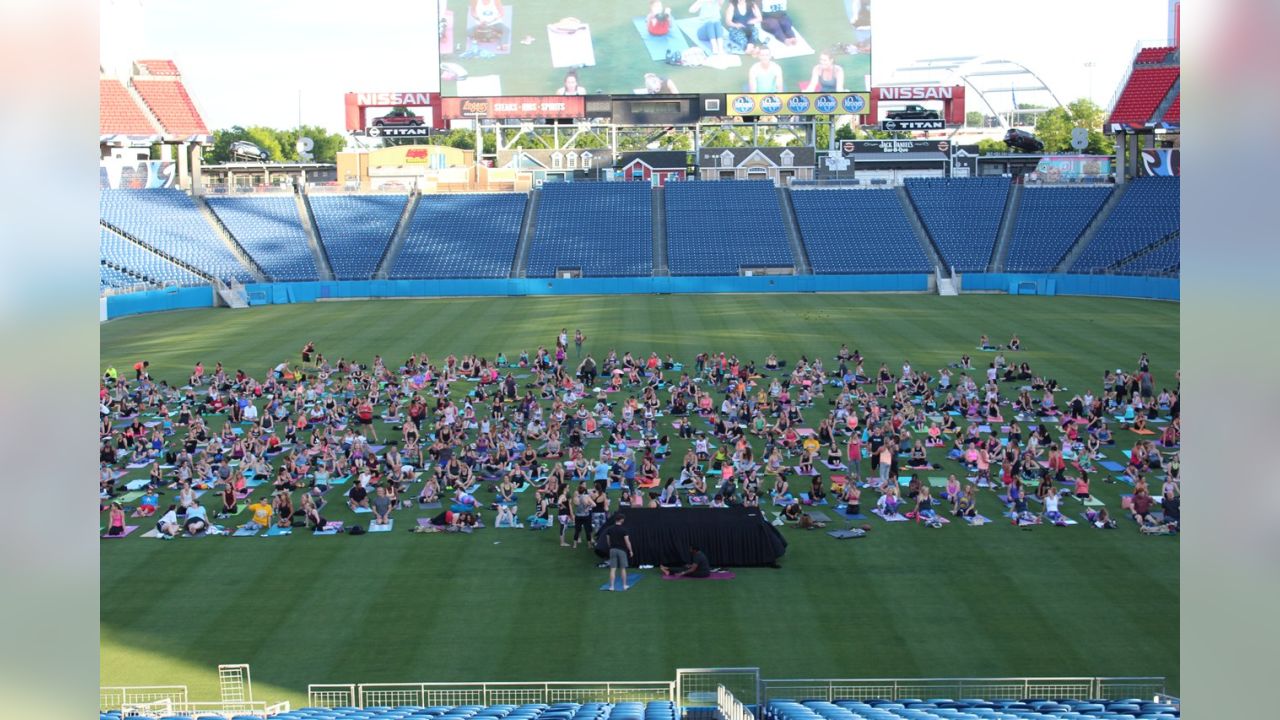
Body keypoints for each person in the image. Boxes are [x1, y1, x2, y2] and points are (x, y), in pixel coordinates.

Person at [603, 514, 634, 591]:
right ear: (621, 520)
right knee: (623, 569)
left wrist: (611, 547)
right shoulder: (624, 530)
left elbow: (608, 541)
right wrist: (630, 550)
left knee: (613, 569)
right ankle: (624, 585)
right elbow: (627, 542)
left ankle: (612, 587)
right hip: (621, 550)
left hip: (612, 550)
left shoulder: (609, 529)